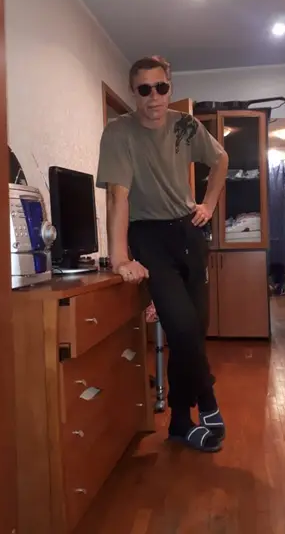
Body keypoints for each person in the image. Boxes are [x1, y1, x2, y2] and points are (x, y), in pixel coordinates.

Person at [96, 56, 229, 453]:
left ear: (170, 88)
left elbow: (220, 159)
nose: (153, 97)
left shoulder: (185, 125)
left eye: (161, 87)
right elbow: (117, 197)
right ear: (133, 92)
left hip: (188, 232)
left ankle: (180, 423)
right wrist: (120, 258)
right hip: (149, 236)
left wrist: (209, 203)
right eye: (144, 89)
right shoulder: (118, 132)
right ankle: (207, 399)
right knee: (183, 328)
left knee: (192, 332)